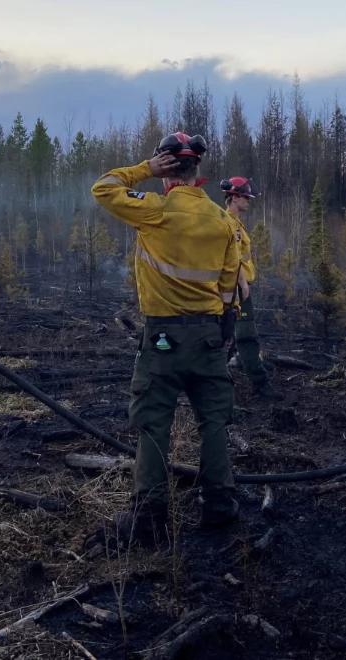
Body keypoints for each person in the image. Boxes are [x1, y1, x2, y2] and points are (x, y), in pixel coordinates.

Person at [91, 131, 242, 542]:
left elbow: (103, 188)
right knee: (213, 422)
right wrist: (225, 330)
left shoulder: (155, 210)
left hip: (163, 340)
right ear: (198, 172)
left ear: (167, 172)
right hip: (211, 336)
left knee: (154, 423)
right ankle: (219, 504)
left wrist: (143, 169)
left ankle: (151, 515)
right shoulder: (223, 219)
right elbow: (232, 285)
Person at [221, 177, 281, 401]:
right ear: (234, 197)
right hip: (236, 288)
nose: (248, 201)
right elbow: (232, 258)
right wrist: (242, 282)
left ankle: (221, 377)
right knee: (246, 336)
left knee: (230, 335)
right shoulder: (228, 222)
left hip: (238, 286)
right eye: (245, 197)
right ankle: (260, 385)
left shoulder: (236, 222)